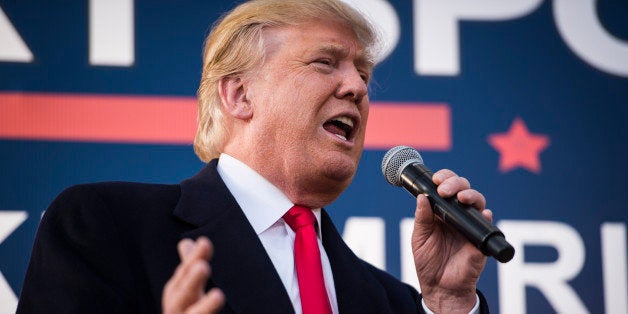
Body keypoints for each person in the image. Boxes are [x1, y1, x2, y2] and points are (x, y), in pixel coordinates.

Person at [17, 0, 492, 313]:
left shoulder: (393, 302)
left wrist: (449, 303)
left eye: (364, 74)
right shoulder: (104, 226)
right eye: (325, 62)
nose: (357, 87)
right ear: (239, 95)